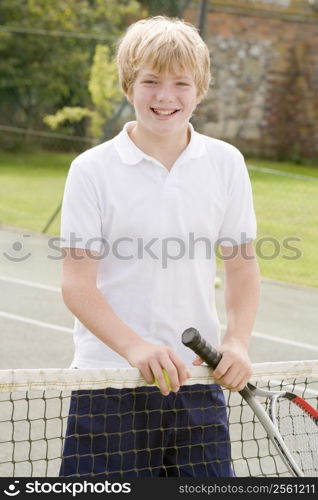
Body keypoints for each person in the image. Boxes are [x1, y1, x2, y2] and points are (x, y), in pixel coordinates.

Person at [59, 15, 260, 477]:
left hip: (196, 384)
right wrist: (135, 348)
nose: (165, 97)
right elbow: (77, 285)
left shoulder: (226, 163)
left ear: (200, 88)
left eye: (180, 84)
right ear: (129, 86)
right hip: (108, 385)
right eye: (150, 81)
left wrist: (237, 341)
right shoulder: (90, 170)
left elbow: (242, 267)